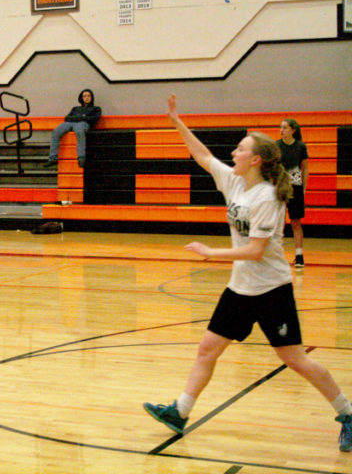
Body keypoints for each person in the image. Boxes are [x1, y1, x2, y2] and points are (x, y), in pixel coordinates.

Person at [143, 95, 352, 453]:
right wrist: (176, 121)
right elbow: (202, 155)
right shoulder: (235, 182)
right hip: (240, 289)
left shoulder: (269, 197)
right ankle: (180, 411)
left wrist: (212, 253)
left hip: (272, 290)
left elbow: (255, 252)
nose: (233, 153)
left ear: (255, 159)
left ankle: (348, 413)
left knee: (295, 359)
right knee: (207, 349)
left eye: (240, 149)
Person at [277, 119, 309, 268]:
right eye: (281, 128)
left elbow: (306, 168)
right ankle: (276, 255)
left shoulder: (300, 146)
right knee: (279, 222)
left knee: (296, 222)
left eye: (284, 128)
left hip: (295, 188)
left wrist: (304, 187)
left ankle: (299, 255)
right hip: (281, 188)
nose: (281, 130)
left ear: (292, 130)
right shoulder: (276, 145)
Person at [43, 88, 101, 169]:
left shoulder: (96, 109)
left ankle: (81, 157)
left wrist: (77, 118)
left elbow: (93, 119)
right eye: (84, 96)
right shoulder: (75, 108)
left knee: (79, 131)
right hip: (71, 123)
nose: (86, 98)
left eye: (88, 96)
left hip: (83, 124)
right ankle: (53, 158)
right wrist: (82, 117)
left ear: (91, 97)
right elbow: (67, 118)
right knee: (56, 131)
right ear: (81, 98)